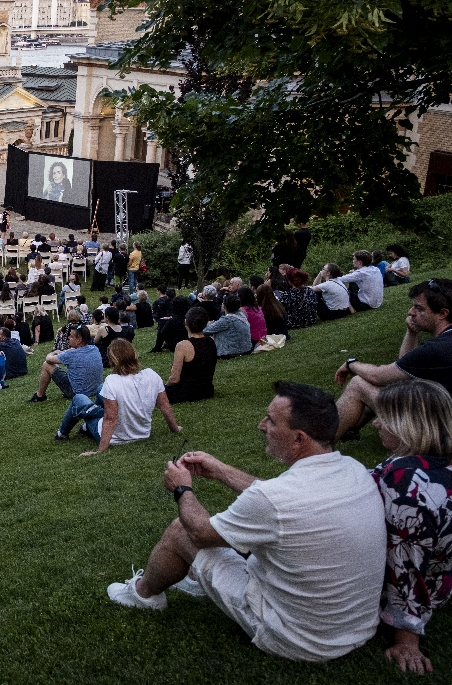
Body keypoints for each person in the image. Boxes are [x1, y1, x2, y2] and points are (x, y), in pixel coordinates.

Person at [106, 382, 386, 664]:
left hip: (299, 639)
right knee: (243, 536)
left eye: (272, 421)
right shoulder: (353, 470)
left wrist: (182, 489)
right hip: (356, 629)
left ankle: (143, 594)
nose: (261, 425)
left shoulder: (273, 500)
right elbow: (282, 501)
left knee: (182, 531)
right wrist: (222, 471)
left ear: (299, 439)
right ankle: (196, 578)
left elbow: (200, 533)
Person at [369, 379, 452, 674]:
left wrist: (407, 641)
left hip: (423, 586)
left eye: (385, 418)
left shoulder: (406, 483)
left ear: (406, 423)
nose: (376, 424)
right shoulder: (430, 465)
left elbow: (407, 564)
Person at [334, 279, 452, 439]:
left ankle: (320, 443)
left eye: (419, 308)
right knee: (392, 389)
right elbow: (407, 367)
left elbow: (379, 376)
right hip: (443, 416)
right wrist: (412, 333)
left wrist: (351, 364)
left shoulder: (436, 349)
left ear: (442, 314)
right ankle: (350, 430)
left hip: (440, 430)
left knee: (359, 384)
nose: (411, 312)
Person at [58, 339, 181, 450]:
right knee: (101, 389)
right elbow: (165, 406)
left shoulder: (112, 381)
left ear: (112, 361)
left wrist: (100, 450)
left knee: (79, 399)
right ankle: (87, 426)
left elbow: (110, 419)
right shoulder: (151, 375)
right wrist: (174, 428)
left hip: (116, 438)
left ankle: (62, 433)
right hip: (143, 432)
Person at [30, 326, 105, 402]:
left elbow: (48, 359)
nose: (68, 337)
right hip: (95, 390)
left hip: (76, 393)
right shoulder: (94, 349)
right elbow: (75, 352)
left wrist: (54, 352)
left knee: (46, 365)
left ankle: (39, 395)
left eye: (71, 336)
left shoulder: (71, 354)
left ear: (79, 340)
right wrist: (64, 352)